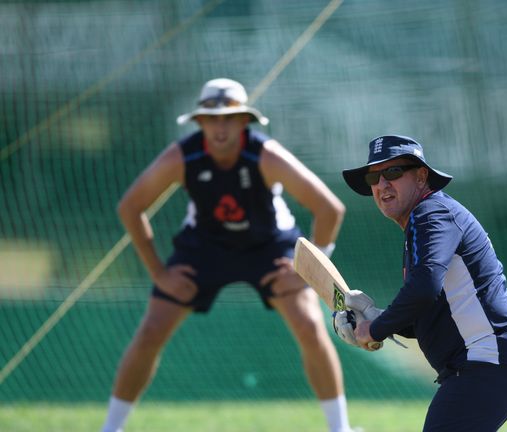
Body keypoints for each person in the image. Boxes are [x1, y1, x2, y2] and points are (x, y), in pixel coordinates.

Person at [101, 78, 353, 432]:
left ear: (245, 122)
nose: (221, 127)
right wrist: (158, 273)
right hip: (204, 247)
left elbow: (330, 208)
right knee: (151, 330)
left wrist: (306, 271)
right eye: (212, 118)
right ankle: (110, 427)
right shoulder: (182, 156)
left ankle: (340, 429)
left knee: (310, 325)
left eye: (230, 118)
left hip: (269, 246)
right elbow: (131, 206)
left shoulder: (265, 155)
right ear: (199, 122)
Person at [333, 135, 507, 432]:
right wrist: (376, 318)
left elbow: (424, 286)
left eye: (393, 172)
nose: (382, 184)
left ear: (421, 176)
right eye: (373, 176)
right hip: (486, 361)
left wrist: (375, 328)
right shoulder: (426, 219)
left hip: (488, 358)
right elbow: (431, 306)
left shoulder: (431, 212)